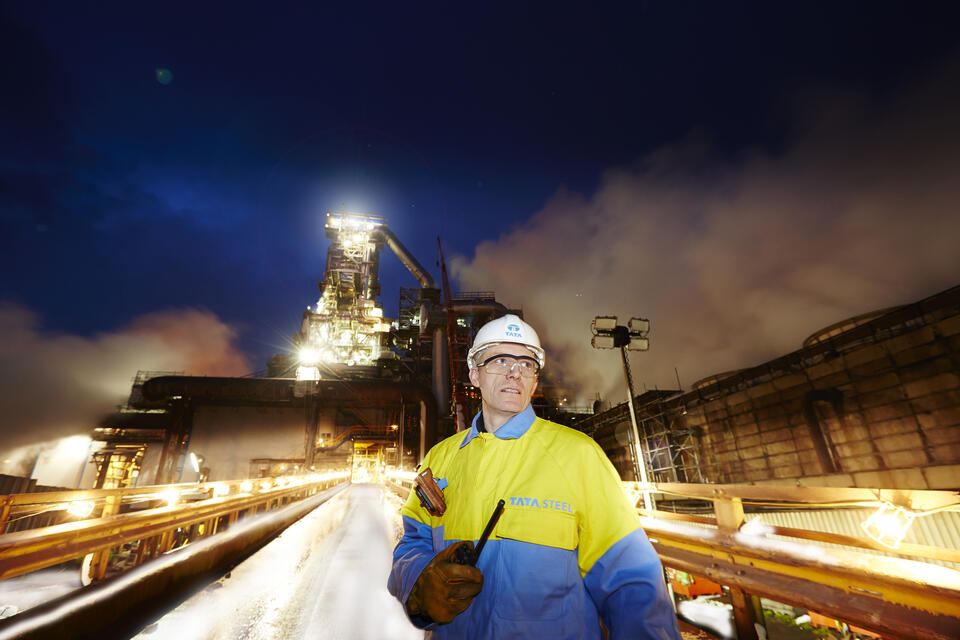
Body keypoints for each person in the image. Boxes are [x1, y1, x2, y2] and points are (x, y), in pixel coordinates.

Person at [388, 314, 681, 640]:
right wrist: (420, 581)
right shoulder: (440, 459)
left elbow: (630, 581)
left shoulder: (578, 455)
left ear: (535, 382)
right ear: (474, 374)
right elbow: (411, 543)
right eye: (500, 360)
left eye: (526, 364)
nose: (515, 372)